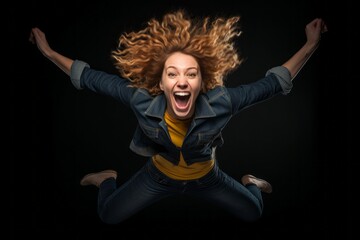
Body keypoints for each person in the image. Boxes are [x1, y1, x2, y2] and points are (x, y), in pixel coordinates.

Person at [29, 9, 327, 224]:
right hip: (157, 177)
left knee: (254, 212)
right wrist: (48, 52)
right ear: (161, 84)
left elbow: (272, 84)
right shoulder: (141, 99)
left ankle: (251, 182)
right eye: (172, 74)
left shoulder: (222, 101)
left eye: (191, 74)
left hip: (207, 178)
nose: (182, 81)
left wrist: (311, 45)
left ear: (201, 83)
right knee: (108, 215)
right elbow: (90, 77)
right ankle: (107, 179)